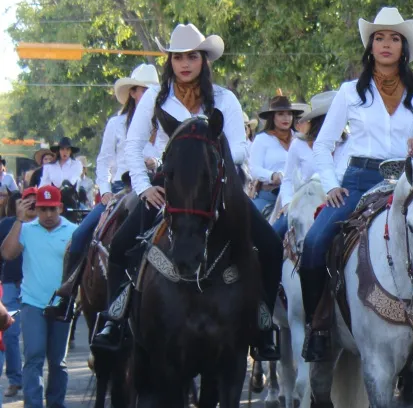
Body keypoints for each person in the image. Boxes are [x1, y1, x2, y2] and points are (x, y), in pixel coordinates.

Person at [92, 23, 282, 360]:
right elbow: (133, 148)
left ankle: (263, 321)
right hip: (170, 188)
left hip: (218, 187)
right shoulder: (154, 96)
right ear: (170, 62)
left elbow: (241, 148)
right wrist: (144, 187)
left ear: (204, 60)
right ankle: (115, 317)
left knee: (269, 244)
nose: (184, 63)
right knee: (121, 246)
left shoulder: (225, 98)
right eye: (177, 57)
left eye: (191, 56)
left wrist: (210, 157)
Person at [299, 7, 413, 361]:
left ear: (404, 47)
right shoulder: (349, 92)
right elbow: (323, 146)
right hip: (357, 180)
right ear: (370, 46)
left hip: (404, 183)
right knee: (314, 244)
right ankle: (319, 326)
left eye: (393, 38)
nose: (386, 44)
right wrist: (331, 185)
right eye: (379, 37)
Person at [45, 64, 159, 321]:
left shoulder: (164, 124)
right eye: (144, 90)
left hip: (157, 189)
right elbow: (104, 160)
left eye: (154, 90)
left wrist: (157, 163)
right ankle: (67, 292)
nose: (149, 95)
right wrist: (105, 191)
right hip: (122, 189)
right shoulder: (116, 124)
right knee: (80, 234)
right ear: (133, 92)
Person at [1, 186, 75, 408]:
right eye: (42, 209)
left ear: (60, 208)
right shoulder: (26, 230)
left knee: (58, 361)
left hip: (62, 304)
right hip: (32, 303)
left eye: (52, 209)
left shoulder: (73, 231)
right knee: (33, 357)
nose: (48, 214)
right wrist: (19, 220)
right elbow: (8, 253)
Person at [272, 90, 346, 239]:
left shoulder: (349, 143)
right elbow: (287, 180)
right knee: (273, 235)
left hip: (337, 202)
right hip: (303, 204)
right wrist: (287, 204)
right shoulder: (299, 144)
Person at [249, 93, 304, 218]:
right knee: (251, 221)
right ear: (272, 117)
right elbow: (254, 169)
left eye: (289, 114)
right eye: (280, 114)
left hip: (297, 196)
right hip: (269, 197)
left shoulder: (299, 139)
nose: (286, 118)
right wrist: (272, 175)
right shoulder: (262, 139)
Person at [0, 192, 22, 398]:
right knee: (10, 334)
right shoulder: (5, 224)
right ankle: (15, 380)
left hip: (35, 286)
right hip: (9, 284)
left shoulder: (41, 226)